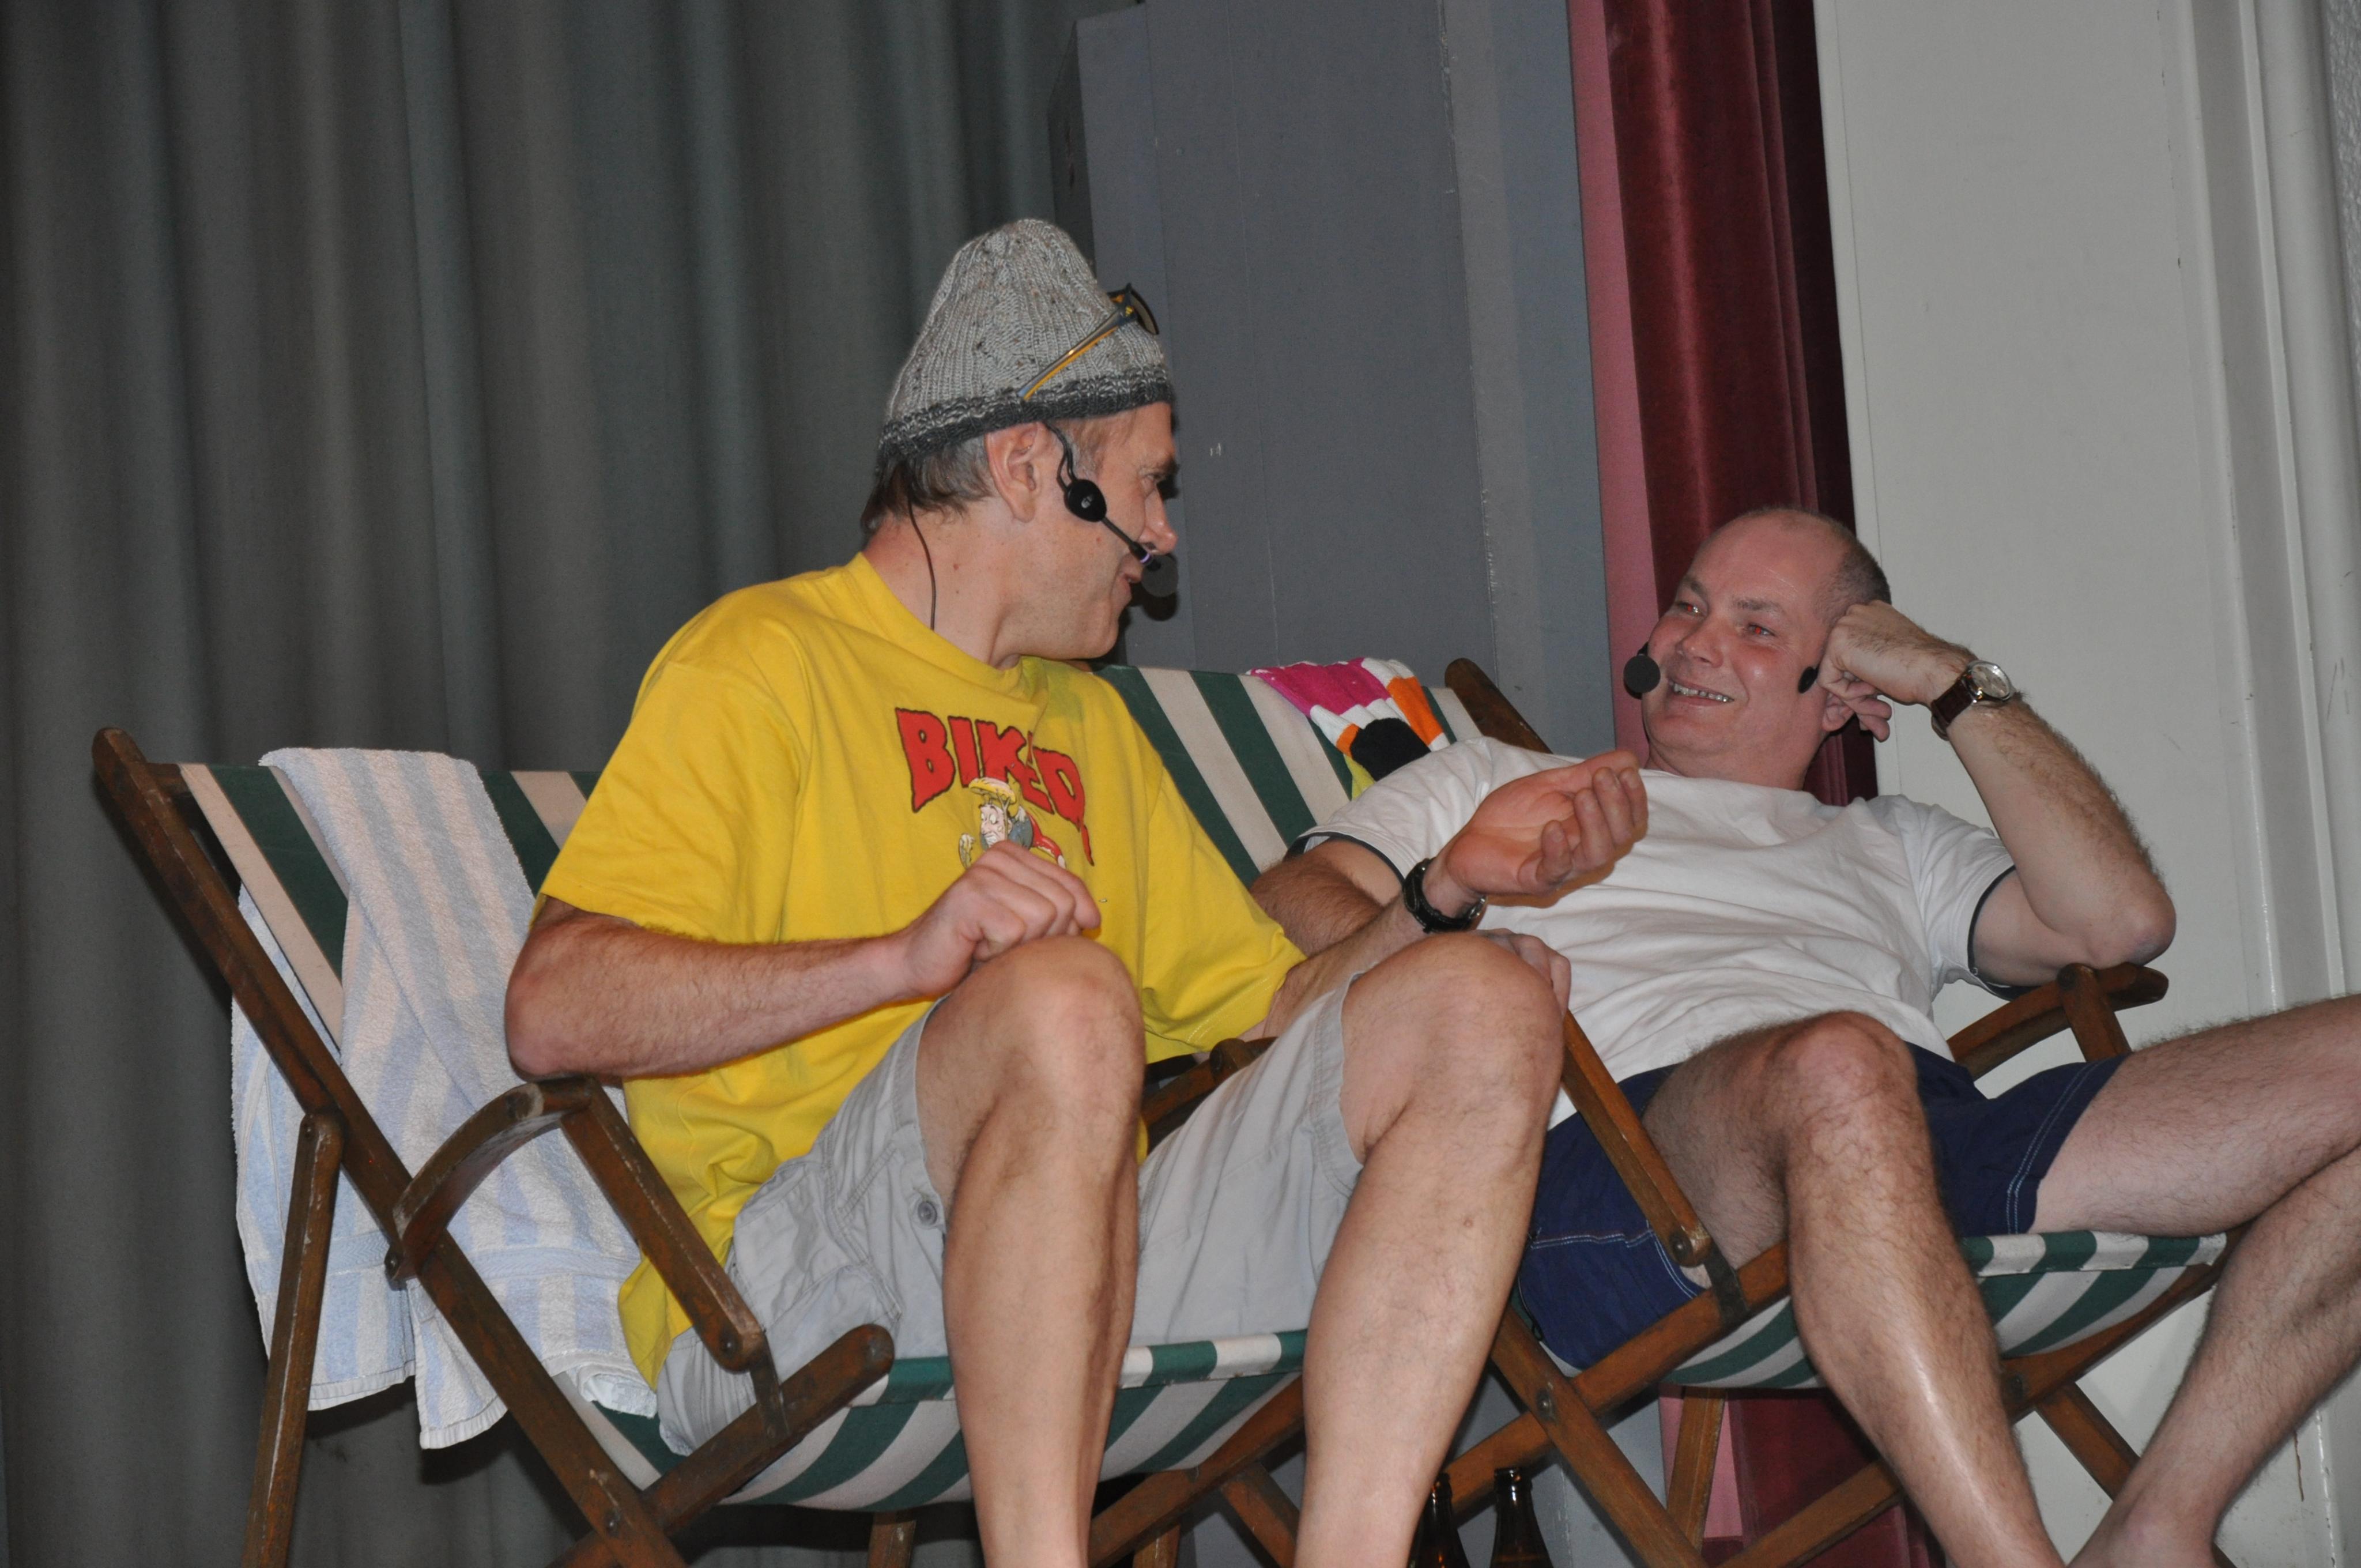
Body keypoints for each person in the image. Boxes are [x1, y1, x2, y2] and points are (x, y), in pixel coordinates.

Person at [502, 220, 1601, 1568]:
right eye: (1148, 486)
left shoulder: (1089, 725)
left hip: (1086, 1246)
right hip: (792, 1289)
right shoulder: (761, 661)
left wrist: (1438, 897)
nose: (1165, 534)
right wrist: (903, 959)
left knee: (1482, 1002)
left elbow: (1272, 1011)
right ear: (1030, 469)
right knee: (1066, 996)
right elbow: (551, 1009)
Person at [1252, 507, 2361, 1568]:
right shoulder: (1499, 782)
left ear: (1837, 689)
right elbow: (1299, 896)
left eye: (1756, 627)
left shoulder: (1894, 842)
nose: (1695, 642)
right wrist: (1457, 954)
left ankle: (2159, 1527)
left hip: (1914, 1140)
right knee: (1841, 1063)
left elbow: (2120, 923)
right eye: (1689, 606)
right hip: (1631, 1171)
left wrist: (1952, 683)